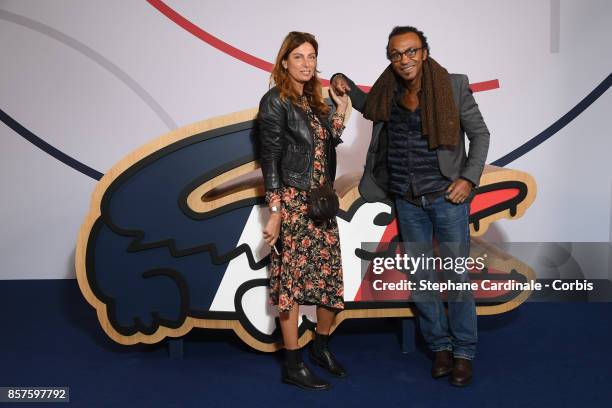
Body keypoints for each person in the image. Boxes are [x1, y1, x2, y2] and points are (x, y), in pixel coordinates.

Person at [331, 25, 490, 387]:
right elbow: (367, 106)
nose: (404, 60)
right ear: (391, 58)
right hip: (408, 201)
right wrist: (344, 81)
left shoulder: (454, 85)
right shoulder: (388, 91)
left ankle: (464, 351)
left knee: (456, 277)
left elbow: (480, 134)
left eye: (411, 51)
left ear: (425, 52)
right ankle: (440, 347)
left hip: (448, 199)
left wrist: (468, 179)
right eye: (396, 54)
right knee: (421, 279)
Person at [257, 31, 349, 390]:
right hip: (293, 203)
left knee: (329, 282)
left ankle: (320, 347)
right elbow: (271, 159)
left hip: (320, 203)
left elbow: (325, 144)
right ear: (284, 62)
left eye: (311, 57)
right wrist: (276, 210)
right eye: (299, 57)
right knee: (291, 287)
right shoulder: (275, 102)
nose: (307, 63)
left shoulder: (313, 102)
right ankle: (292, 364)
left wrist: (342, 107)